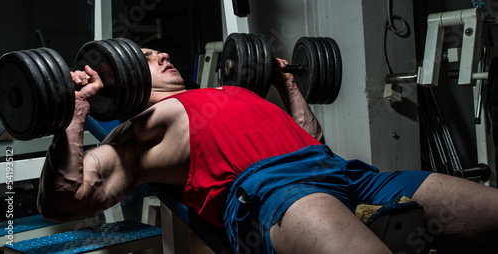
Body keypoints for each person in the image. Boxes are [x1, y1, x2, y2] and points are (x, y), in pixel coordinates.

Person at [37, 48, 498, 254]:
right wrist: (75, 114)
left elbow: (314, 141)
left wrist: (288, 85)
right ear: (123, 78)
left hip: (350, 174)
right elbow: (65, 200)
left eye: (160, 51)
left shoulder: (231, 92)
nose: (161, 56)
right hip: (278, 195)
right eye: (146, 56)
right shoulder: (140, 132)